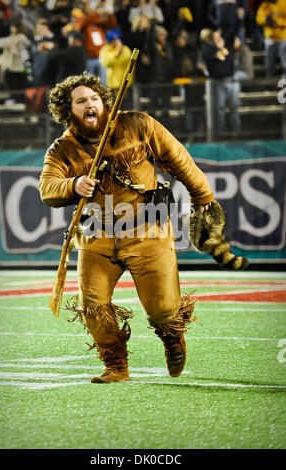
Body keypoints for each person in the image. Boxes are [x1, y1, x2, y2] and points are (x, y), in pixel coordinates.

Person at [39, 72, 214, 383]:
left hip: (148, 231)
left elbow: (179, 158)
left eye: (94, 98)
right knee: (93, 306)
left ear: (104, 102)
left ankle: (172, 337)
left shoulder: (138, 124)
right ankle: (116, 365)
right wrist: (73, 184)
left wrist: (203, 196)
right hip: (97, 235)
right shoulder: (61, 149)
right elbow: (47, 188)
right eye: (81, 101)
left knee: (163, 310)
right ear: (68, 111)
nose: (89, 104)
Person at [200, 28, 242, 133]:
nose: (218, 39)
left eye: (220, 37)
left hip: (232, 81)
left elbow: (233, 30)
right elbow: (207, 58)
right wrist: (217, 51)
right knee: (220, 110)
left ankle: (237, 133)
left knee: (234, 108)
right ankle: (221, 133)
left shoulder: (228, 46)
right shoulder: (208, 50)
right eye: (215, 38)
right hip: (219, 83)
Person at [256, 0, 286, 77]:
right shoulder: (265, 4)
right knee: (269, 63)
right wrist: (266, 20)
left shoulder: (284, 2)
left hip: (283, 36)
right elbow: (258, 19)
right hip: (270, 37)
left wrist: (277, 22)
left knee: (284, 61)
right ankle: (269, 79)